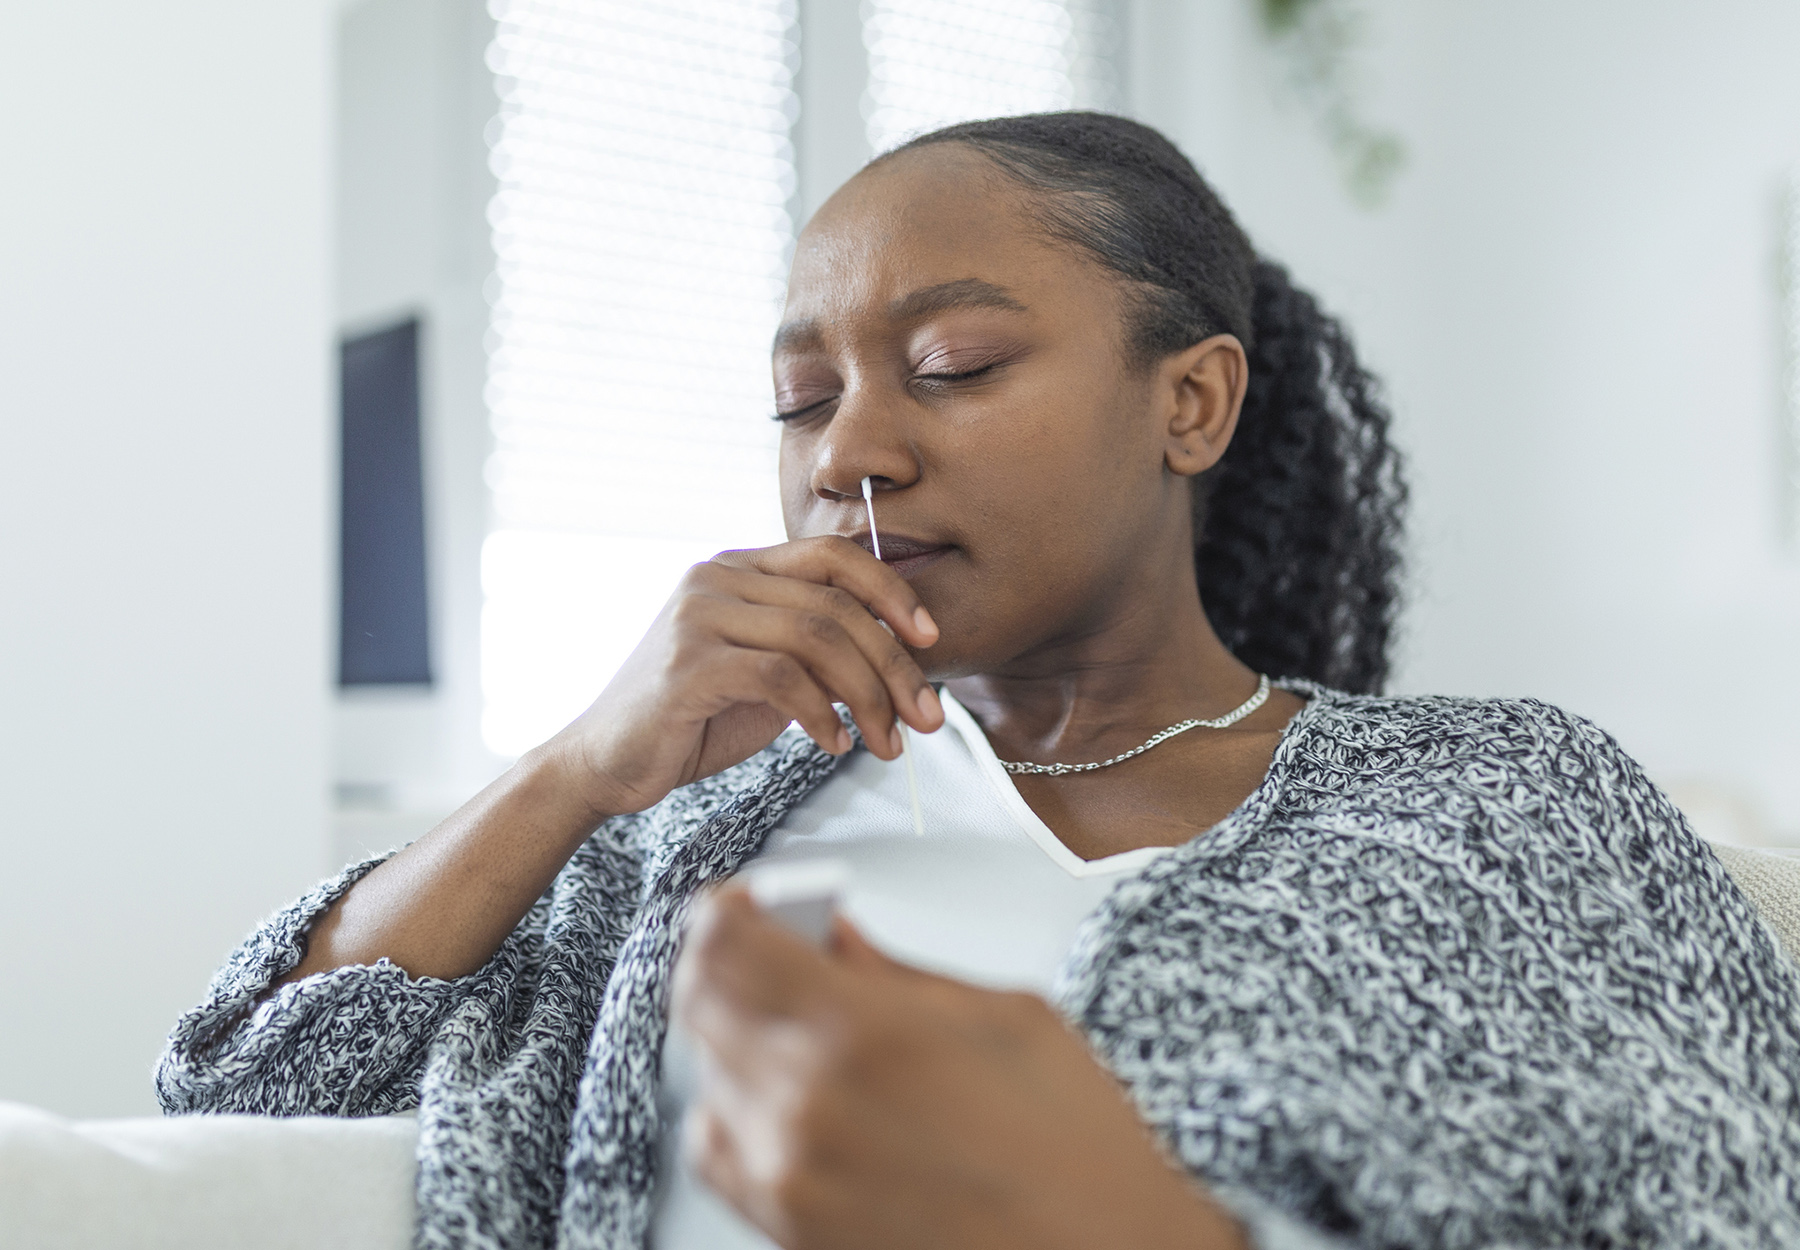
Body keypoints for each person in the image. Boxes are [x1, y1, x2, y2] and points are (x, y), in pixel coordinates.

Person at [158, 113, 1800, 1250]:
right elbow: (236, 1094)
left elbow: (1727, 1200)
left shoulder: (1504, 796)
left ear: (1193, 405)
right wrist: (580, 765)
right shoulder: (677, 841)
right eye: (802, 402)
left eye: (954, 365)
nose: (852, 450)